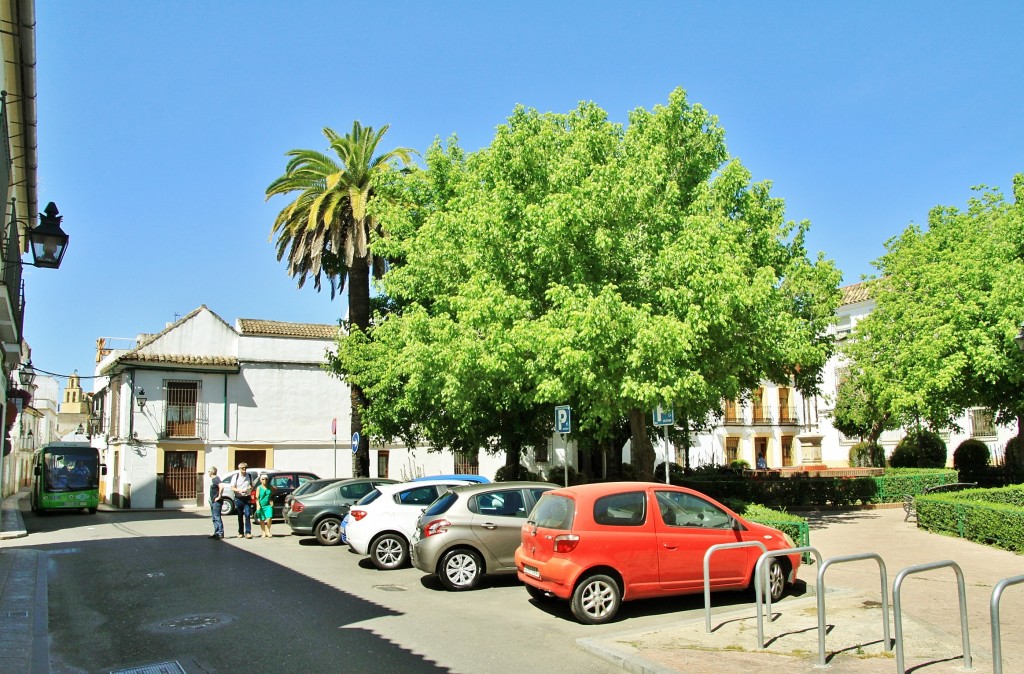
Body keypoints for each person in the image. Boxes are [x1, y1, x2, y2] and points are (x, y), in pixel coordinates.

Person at [231, 462, 253, 538]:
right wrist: (239, 490)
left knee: (247, 515)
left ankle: (248, 532)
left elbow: (252, 486)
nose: (244, 469)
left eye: (245, 467)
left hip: (247, 498)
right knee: (240, 515)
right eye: (242, 468)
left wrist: (250, 488)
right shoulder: (236, 476)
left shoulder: (249, 476)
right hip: (239, 498)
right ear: (239, 468)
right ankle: (241, 532)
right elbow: (232, 487)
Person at [254, 474, 275, 538]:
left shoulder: (270, 487)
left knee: (269, 517)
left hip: (268, 505)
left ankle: (268, 530)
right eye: (263, 479)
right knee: (262, 519)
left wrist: (271, 499)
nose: (264, 480)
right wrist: (258, 506)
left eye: (266, 479)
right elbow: (257, 498)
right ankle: (263, 532)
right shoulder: (259, 488)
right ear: (260, 480)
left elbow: (274, 491)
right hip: (261, 505)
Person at [207, 467, 224, 539]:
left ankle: (220, 533)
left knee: (217, 517)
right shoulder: (213, 480)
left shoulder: (216, 479)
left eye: (209, 471)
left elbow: (221, 486)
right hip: (213, 501)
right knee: (214, 517)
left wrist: (219, 496)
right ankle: (216, 532)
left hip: (216, 502)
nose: (208, 472)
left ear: (211, 472)